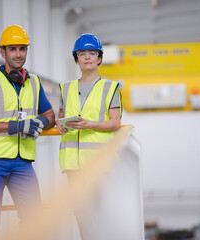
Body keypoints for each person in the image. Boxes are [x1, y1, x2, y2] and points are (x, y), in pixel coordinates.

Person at [0, 24, 55, 240]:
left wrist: (40, 122)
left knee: (34, 216)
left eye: (22, 49)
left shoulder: (34, 82)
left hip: (22, 161)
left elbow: (50, 114)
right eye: (13, 49)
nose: (18, 54)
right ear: (3, 52)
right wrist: (15, 126)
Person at [55, 33, 123, 240]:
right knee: (80, 212)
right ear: (76, 59)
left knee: (97, 211)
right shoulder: (65, 88)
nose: (87, 57)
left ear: (99, 58)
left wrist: (90, 124)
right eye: (82, 54)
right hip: (73, 162)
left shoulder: (110, 88)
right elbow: (61, 117)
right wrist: (60, 124)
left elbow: (115, 122)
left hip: (97, 161)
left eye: (92, 53)